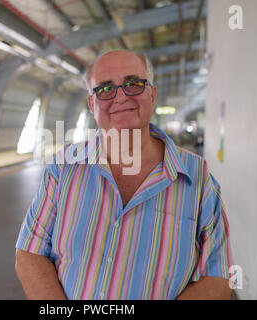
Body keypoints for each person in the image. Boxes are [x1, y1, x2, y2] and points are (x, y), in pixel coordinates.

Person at [15, 50, 233, 300]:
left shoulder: (198, 178)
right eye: (105, 89)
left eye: (133, 84)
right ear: (91, 104)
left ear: (152, 94)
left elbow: (219, 276)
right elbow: (30, 253)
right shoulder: (63, 168)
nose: (120, 97)